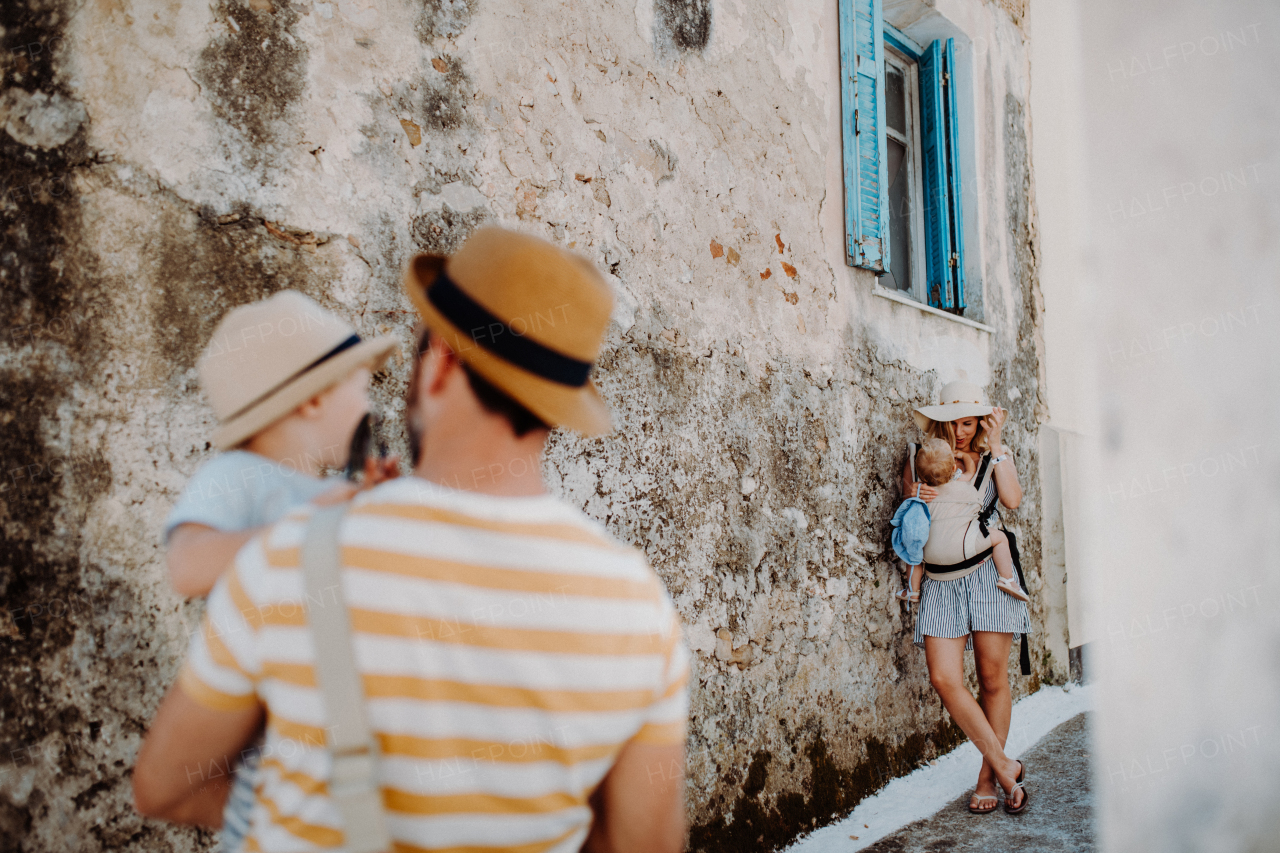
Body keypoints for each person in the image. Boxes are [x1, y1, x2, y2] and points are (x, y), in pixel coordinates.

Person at [133, 226, 690, 853]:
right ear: (559, 405)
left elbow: (162, 788)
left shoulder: (286, 557)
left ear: (441, 362)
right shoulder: (640, 611)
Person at [163, 290, 398, 852]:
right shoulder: (239, 474)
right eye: (360, 388)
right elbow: (186, 565)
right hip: (257, 698)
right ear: (313, 400)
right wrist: (305, 527)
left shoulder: (328, 489)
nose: (368, 407)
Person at [901, 380, 1032, 816]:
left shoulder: (990, 455)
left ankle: (987, 777)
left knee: (992, 679)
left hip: (985, 578)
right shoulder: (920, 460)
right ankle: (1005, 764)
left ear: (978, 423)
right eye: (953, 422)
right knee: (945, 679)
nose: (960, 431)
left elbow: (1011, 499)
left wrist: (996, 444)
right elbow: (911, 518)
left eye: (969, 423)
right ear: (940, 420)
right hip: (939, 583)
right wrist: (915, 494)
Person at [894, 439, 1029, 603]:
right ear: (953, 469)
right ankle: (1007, 579)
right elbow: (971, 471)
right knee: (1001, 538)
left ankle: (913, 590)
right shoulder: (961, 481)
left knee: (913, 549)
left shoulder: (922, 494)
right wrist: (964, 456)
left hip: (930, 556)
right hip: (964, 547)